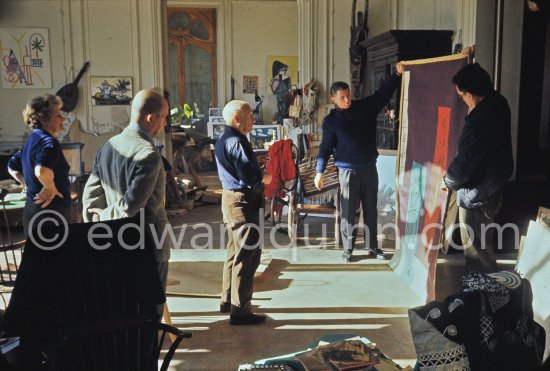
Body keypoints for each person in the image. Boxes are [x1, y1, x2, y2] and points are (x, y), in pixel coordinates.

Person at [82, 89, 173, 306]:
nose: (165, 124)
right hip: (148, 243)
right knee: (150, 308)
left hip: (114, 241)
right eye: (164, 118)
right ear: (151, 118)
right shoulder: (148, 154)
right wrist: (106, 218)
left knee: (123, 305)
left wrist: (99, 226)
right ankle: (148, 341)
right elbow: (131, 204)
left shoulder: (107, 147)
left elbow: (90, 197)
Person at [314, 62, 404, 263]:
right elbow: (326, 147)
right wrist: (319, 172)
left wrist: (396, 75)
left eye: (348, 95)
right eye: (342, 97)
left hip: (369, 167)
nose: (347, 99)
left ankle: (373, 246)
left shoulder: (365, 107)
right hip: (347, 171)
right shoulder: (331, 121)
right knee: (348, 211)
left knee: (371, 208)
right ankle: (348, 249)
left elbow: (383, 94)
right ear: (333, 98)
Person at [443, 63, 514, 273]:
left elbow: (464, 165)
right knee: (483, 244)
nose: (463, 100)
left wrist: (448, 180)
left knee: (477, 250)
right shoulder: (499, 103)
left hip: (476, 191)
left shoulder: (479, 122)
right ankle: (485, 292)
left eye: (462, 95)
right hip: (493, 185)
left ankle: (482, 296)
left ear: (471, 94)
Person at [215, 100, 271, 325]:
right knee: (247, 257)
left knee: (233, 253)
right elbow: (251, 178)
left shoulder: (223, 138)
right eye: (249, 116)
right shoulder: (237, 141)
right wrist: (264, 177)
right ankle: (240, 311)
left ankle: (228, 300)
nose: (253, 120)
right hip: (242, 202)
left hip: (230, 200)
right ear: (236, 118)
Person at [7, 94, 71, 238]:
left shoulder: (32, 139)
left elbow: (12, 165)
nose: (63, 118)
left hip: (33, 211)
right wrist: (50, 187)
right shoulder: (49, 143)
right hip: (51, 215)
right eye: (58, 115)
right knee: (56, 258)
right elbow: (41, 170)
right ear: (43, 119)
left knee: (37, 258)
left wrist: (23, 182)